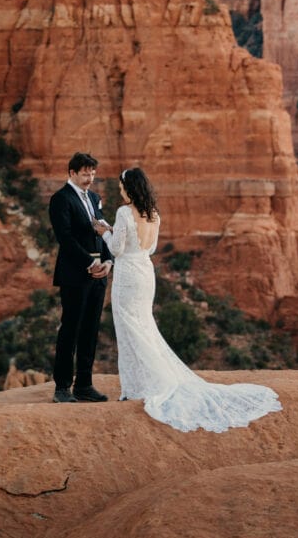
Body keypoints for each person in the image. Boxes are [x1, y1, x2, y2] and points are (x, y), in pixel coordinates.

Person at [94, 167, 282, 433]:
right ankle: (140, 384)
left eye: (122, 186)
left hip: (127, 276)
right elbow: (149, 248)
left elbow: (116, 249)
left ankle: (134, 388)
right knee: (144, 325)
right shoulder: (154, 215)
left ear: (128, 188)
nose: (120, 190)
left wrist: (103, 231)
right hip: (145, 273)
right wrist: (115, 232)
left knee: (128, 328)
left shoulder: (124, 212)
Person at [49, 152, 113, 403]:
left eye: (93, 173)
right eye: (85, 173)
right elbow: (64, 238)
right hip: (75, 273)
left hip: (99, 275)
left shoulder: (95, 198)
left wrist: (108, 262)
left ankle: (84, 385)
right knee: (71, 330)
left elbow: (103, 232)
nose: (90, 178)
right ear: (72, 173)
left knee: (91, 329)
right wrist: (90, 262)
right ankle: (62, 387)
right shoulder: (60, 199)